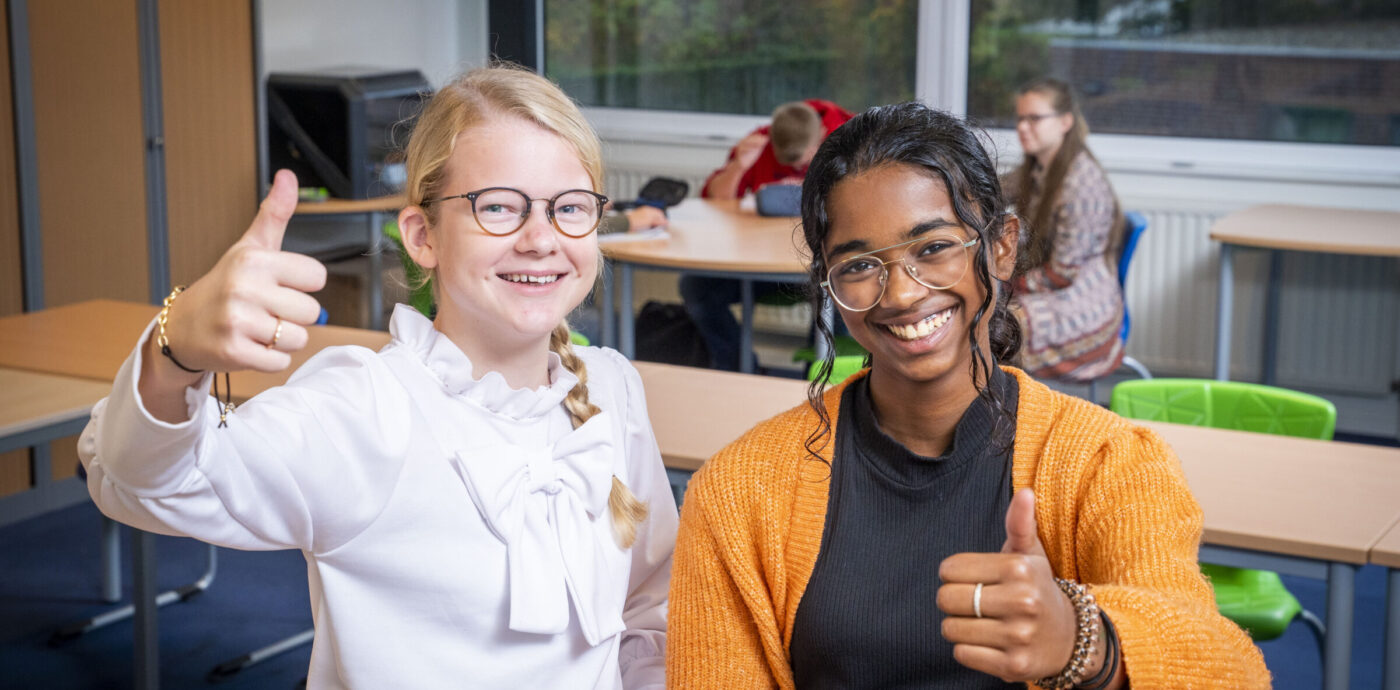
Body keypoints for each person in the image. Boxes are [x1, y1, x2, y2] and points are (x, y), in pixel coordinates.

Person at [78, 65, 676, 689]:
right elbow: (140, 480)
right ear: (422, 235)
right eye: (497, 206)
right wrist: (177, 352)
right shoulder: (366, 407)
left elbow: (651, 608)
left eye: (569, 208)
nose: (540, 238)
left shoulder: (610, 388)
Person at [667, 102, 1269, 688]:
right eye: (859, 265)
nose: (901, 293)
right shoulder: (738, 492)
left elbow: (1231, 671)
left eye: (933, 248)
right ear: (828, 282)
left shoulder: (1108, 466)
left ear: (1001, 246)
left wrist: (1088, 645)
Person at [684, 99, 855, 371]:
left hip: (819, 267)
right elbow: (715, 201)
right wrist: (740, 165)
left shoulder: (849, 138)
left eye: (803, 160)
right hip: (758, 264)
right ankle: (740, 372)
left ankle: (820, 379)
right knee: (695, 286)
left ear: (822, 137)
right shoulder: (761, 141)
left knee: (841, 289)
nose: (796, 168)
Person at [1005, 77, 1125, 381]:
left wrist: (1005, 280)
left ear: (1064, 122)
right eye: (1020, 118)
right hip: (1056, 285)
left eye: (1034, 118)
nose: (1022, 127)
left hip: (1083, 300)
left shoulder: (1080, 184)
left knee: (1000, 322)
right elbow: (994, 186)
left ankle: (1012, 409)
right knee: (984, 304)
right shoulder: (1038, 168)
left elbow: (1063, 274)